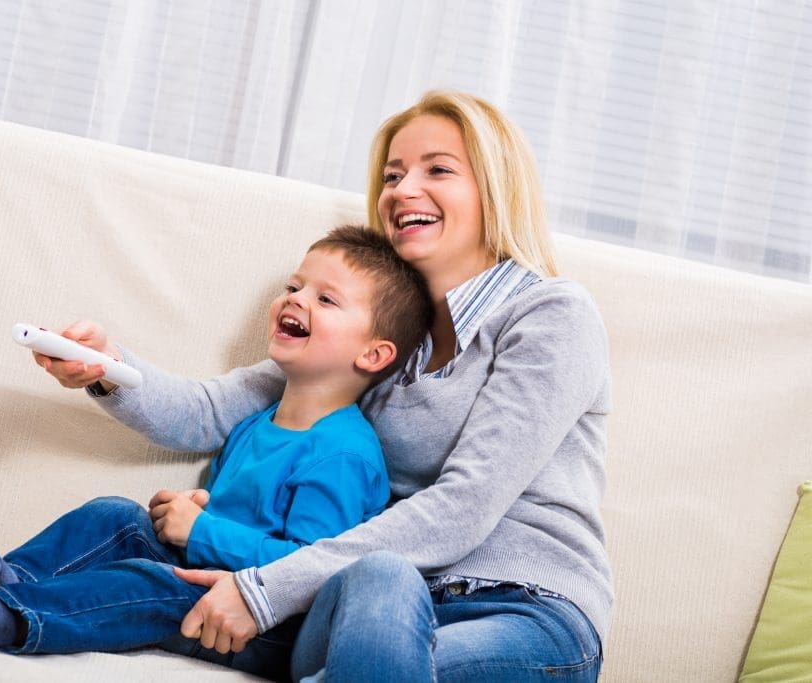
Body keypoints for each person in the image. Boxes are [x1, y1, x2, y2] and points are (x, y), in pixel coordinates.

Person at [49, 90, 614, 682]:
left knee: (383, 582)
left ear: (496, 191)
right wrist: (107, 366)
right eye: (393, 175)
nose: (401, 190)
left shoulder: (552, 316)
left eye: (438, 169)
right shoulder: (374, 331)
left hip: (523, 612)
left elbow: (464, 506)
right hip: (373, 608)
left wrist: (265, 588)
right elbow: (210, 411)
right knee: (379, 575)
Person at [0, 225, 433, 680]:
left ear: (373, 353)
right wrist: (196, 512)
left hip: (271, 623)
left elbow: (312, 565)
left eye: (326, 299)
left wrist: (202, 532)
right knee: (114, 516)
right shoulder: (259, 420)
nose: (296, 299)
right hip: (209, 573)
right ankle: (9, 578)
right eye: (294, 286)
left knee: (153, 581)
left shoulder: (344, 454)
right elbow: (238, 511)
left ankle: (5, 619)